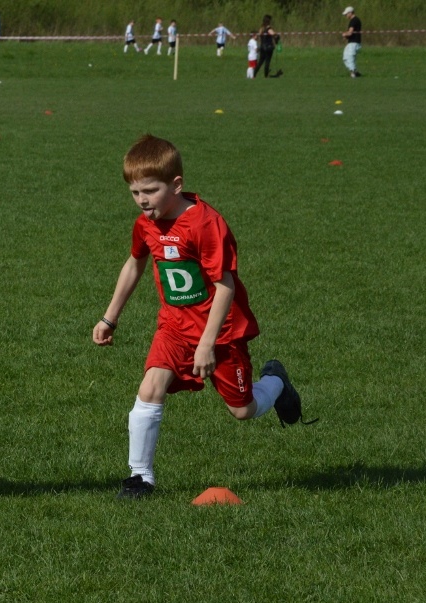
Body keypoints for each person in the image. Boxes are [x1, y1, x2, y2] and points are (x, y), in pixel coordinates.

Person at [93, 134, 307, 499]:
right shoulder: (145, 224)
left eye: (151, 190)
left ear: (176, 185)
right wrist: (109, 318)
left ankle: (276, 382)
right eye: (135, 192)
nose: (142, 200)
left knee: (242, 410)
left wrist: (206, 344)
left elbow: (224, 286)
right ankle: (140, 478)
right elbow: (134, 263)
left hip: (220, 332)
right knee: (150, 387)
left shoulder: (206, 224)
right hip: (174, 326)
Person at [342, 7, 362, 78]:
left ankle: (353, 72)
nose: (346, 16)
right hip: (351, 42)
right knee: (345, 58)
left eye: (346, 14)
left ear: (350, 13)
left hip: (354, 43)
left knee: (350, 57)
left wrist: (344, 34)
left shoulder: (354, 20)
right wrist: (347, 36)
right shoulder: (354, 20)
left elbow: (350, 33)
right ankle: (354, 71)